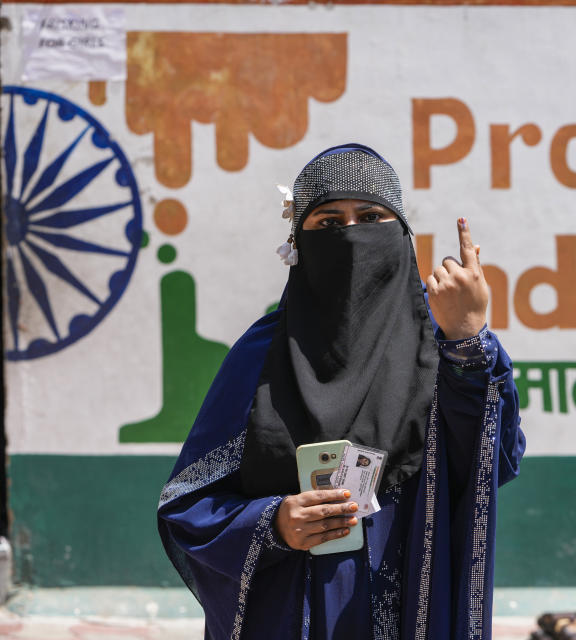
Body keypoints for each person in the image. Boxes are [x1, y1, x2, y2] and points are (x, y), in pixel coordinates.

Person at [157, 144, 526, 640]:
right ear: (298, 241)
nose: (352, 236)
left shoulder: (444, 349)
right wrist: (272, 522)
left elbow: (493, 460)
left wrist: (468, 338)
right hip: (294, 611)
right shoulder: (263, 355)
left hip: (414, 601)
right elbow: (188, 504)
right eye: (328, 223)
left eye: (371, 216)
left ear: (399, 234)